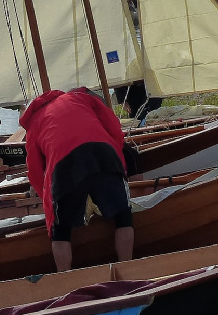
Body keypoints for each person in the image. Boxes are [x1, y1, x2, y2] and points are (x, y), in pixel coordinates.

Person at [19, 88, 134, 272]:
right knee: (123, 216)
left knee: (61, 230)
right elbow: (113, 126)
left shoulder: (33, 123)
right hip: (104, 152)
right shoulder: (78, 98)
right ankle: (127, 268)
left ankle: (67, 279)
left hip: (65, 163)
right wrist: (115, 153)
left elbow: (34, 171)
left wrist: (48, 201)